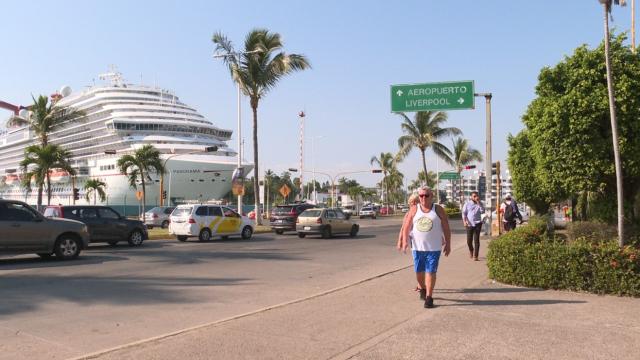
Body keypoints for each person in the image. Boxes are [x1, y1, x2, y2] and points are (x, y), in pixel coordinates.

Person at [401, 186, 451, 309]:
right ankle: (422, 288)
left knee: (431, 271)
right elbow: (406, 226)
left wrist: (448, 243)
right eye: (421, 196)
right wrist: (404, 241)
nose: (423, 198)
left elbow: (446, 227)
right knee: (419, 272)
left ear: (431, 196)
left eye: (426, 195)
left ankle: (429, 297)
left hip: (434, 248)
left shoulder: (438, 209)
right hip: (417, 248)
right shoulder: (414, 209)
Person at [462, 191, 484, 261]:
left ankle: (476, 256)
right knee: (469, 241)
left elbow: (482, 211)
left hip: (478, 224)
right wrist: (464, 221)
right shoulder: (467, 204)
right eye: (474, 196)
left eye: (476, 196)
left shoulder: (480, 203)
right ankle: (471, 250)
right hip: (469, 224)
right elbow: (464, 213)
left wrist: (479, 203)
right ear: (471, 197)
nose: (475, 197)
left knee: (476, 240)